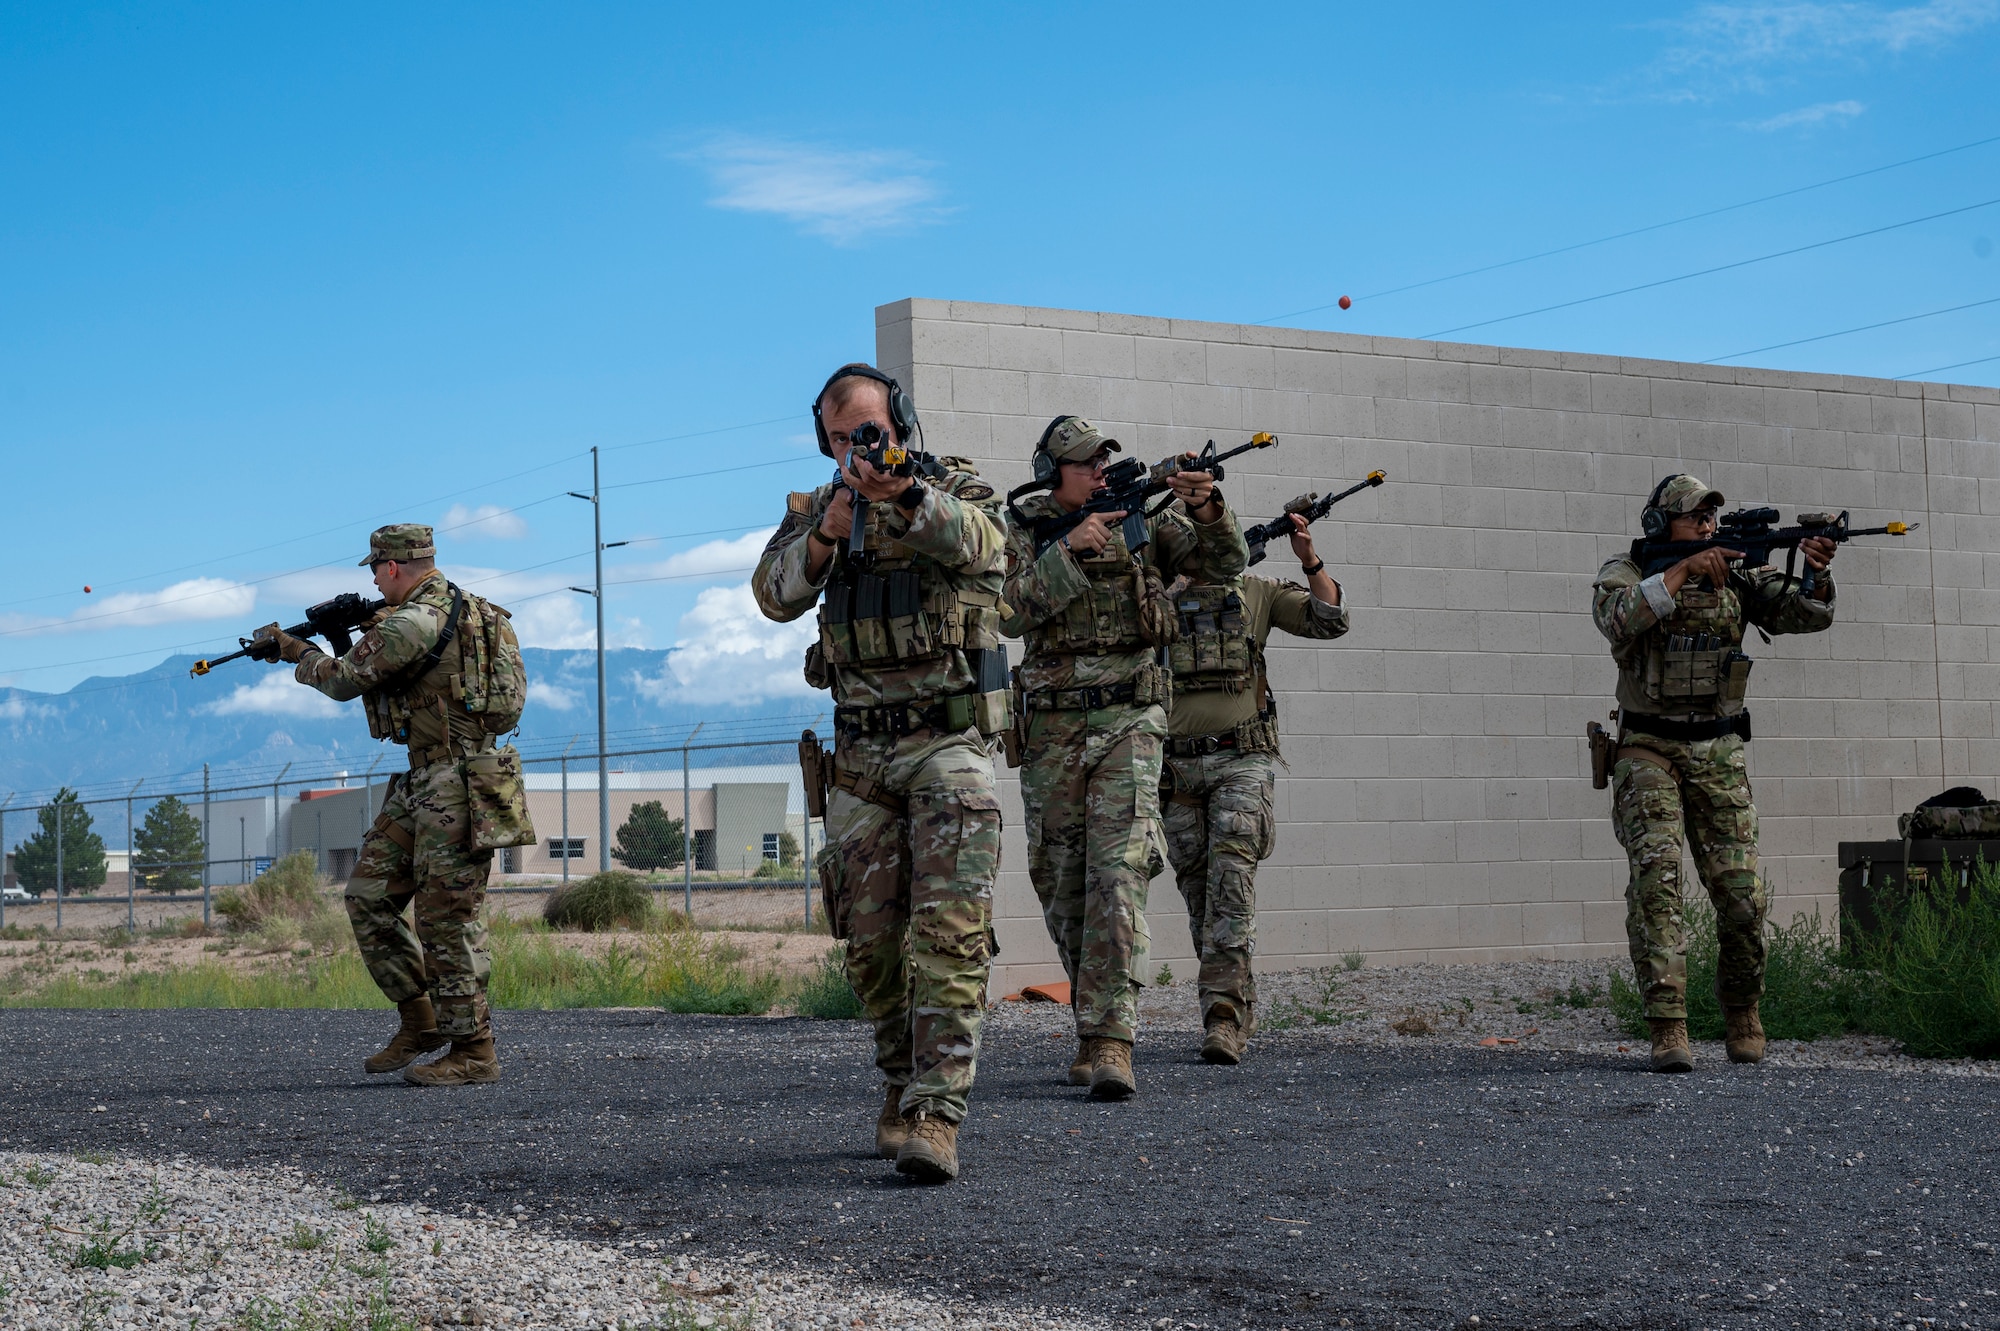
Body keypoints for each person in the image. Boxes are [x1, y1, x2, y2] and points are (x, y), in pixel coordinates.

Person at [752, 363, 1008, 1184]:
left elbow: (989, 549)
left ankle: (938, 1113)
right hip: (861, 755)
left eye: (869, 432)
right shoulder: (814, 512)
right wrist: (830, 528)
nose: (857, 447)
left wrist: (903, 497)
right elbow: (773, 595)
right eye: (840, 438)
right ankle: (900, 1076)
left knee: (950, 932)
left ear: (898, 422)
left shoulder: (953, 486)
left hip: (949, 740)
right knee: (868, 945)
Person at [1001, 416, 1248, 1100]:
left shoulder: (1143, 523)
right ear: (1054, 475)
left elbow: (1225, 565)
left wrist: (1207, 507)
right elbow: (1005, 612)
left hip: (1129, 721)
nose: (1099, 474)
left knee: (1118, 874)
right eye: (1084, 465)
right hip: (1051, 730)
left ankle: (1113, 1036)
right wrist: (1070, 552)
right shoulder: (1023, 532)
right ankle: (1091, 1022)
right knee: (1061, 879)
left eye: (1103, 462)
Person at [252, 523, 533, 1086]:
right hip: (424, 777)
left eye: (377, 570)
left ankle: (475, 1051)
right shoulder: (461, 609)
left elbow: (344, 680)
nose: (376, 582)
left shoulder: (414, 621)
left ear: (395, 566)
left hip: (457, 782)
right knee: (369, 897)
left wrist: (293, 650)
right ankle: (420, 1019)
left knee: (446, 920)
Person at [1592, 475, 1837, 1073]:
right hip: (1647, 746)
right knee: (1658, 887)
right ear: (1659, 527)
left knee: (1742, 897)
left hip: (1719, 750)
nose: (1707, 526)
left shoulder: (1739, 576)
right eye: (1694, 518)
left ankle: (1743, 1011)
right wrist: (1681, 572)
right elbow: (1618, 620)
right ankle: (1668, 1025)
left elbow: (1808, 615)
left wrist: (1816, 568)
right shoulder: (1627, 571)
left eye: (1711, 518)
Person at [1162, 510, 1350, 1065]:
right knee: (1200, 893)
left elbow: (1329, 619)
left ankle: (1223, 1017)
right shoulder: (1157, 598)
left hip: (1242, 759)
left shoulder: (1256, 592)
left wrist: (1309, 559)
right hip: (1176, 769)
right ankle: (1231, 998)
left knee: (1232, 878)